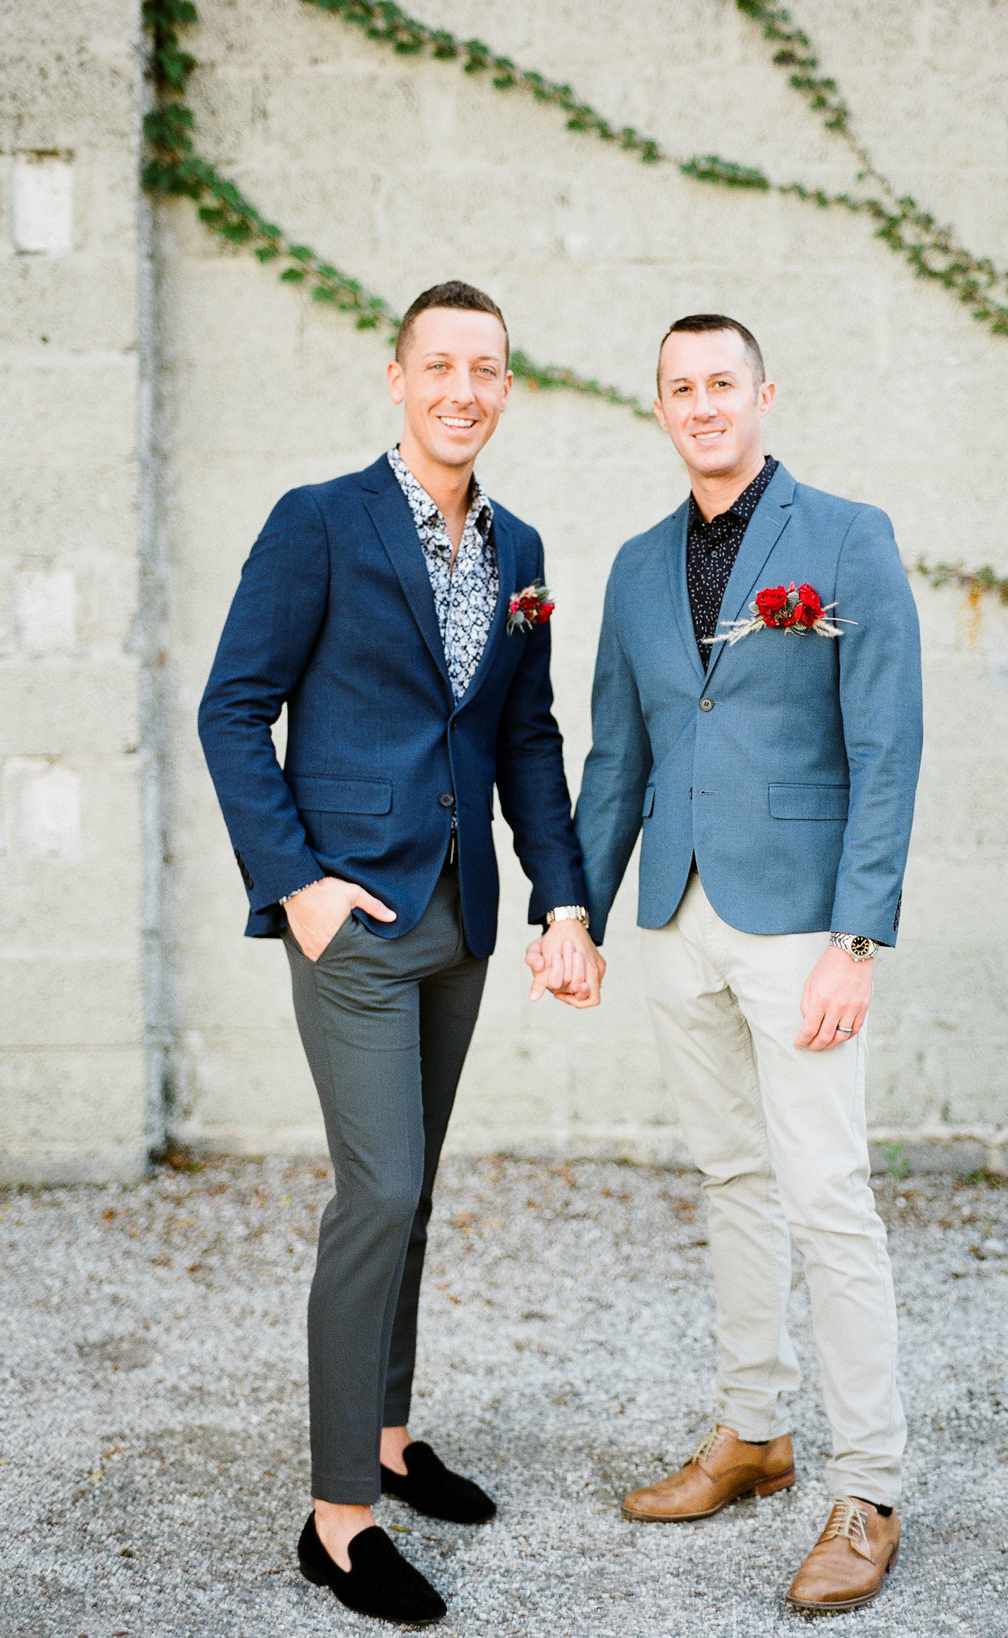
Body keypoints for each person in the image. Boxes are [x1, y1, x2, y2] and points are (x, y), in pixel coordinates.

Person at [197, 280, 602, 1627]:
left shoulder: (521, 544)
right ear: (397, 376)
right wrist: (296, 887)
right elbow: (231, 707)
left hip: (464, 911)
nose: (462, 389)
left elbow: (525, 737)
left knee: (415, 1188)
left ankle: (385, 1434)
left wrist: (561, 896)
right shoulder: (318, 522)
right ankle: (336, 1517)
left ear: (505, 385)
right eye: (440, 365)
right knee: (375, 1189)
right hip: (352, 916)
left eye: (486, 367)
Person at [530, 312, 923, 1614]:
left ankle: (867, 1485)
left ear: (764, 392)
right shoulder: (642, 565)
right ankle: (755, 1432)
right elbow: (621, 758)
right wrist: (569, 907)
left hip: (805, 922)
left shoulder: (847, 538)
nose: (703, 404)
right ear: (660, 405)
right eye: (680, 387)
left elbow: (888, 743)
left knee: (827, 1192)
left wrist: (857, 938)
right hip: (676, 921)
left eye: (723, 384)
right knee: (733, 1177)